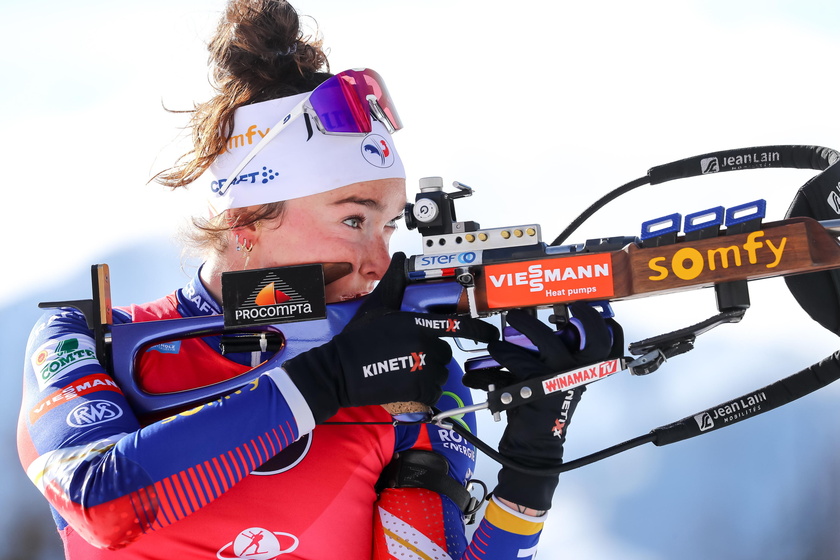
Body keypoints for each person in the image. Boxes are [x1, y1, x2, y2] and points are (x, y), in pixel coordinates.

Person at [16, 1, 622, 558]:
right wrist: (329, 380)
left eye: (388, 227)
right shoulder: (87, 341)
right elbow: (102, 502)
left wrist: (531, 468)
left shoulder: (407, 380)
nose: (378, 262)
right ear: (248, 218)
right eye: (353, 219)